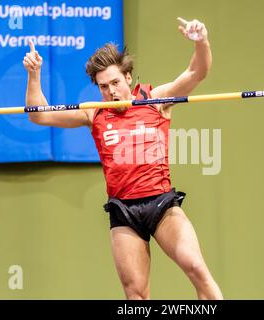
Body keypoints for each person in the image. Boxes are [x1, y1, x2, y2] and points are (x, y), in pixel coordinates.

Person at [23, 17, 223, 300]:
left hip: (161, 204)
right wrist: (34, 74)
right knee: (135, 295)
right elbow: (38, 114)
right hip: (124, 212)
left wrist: (201, 40)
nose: (111, 91)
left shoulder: (157, 99)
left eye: (115, 82)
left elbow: (196, 72)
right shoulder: (94, 113)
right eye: (103, 86)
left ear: (128, 77)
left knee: (195, 266)